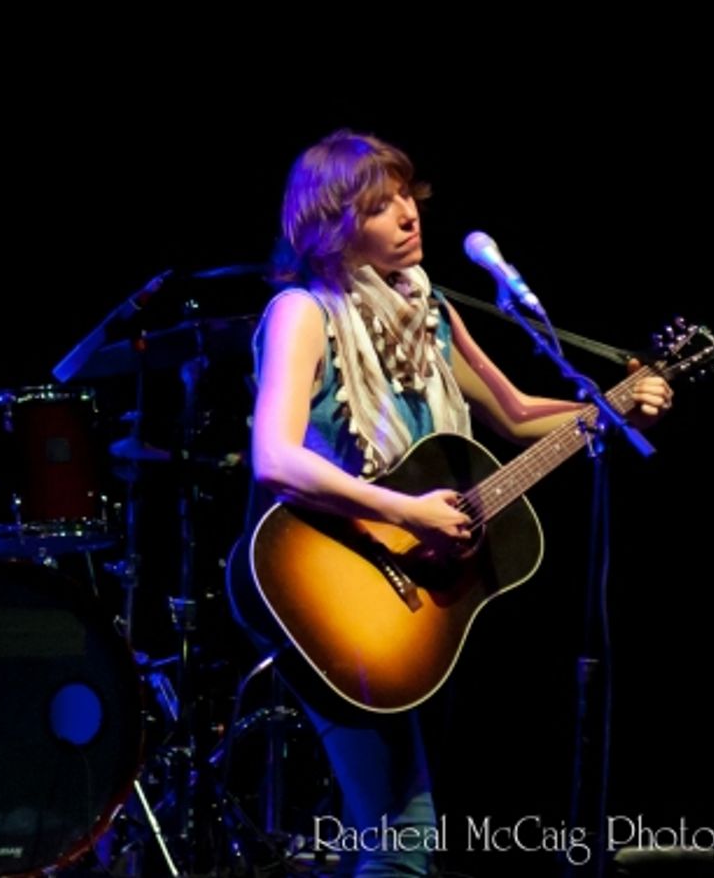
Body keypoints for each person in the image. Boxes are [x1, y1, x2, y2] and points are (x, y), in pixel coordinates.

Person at [226, 130, 673, 876]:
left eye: (407, 194)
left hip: (401, 597)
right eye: (381, 203)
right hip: (318, 582)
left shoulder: (428, 312)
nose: (408, 213)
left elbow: (519, 413)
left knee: (402, 835)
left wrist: (616, 408)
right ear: (334, 226)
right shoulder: (303, 312)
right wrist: (406, 512)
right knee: (403, 840)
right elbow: (274, 457)